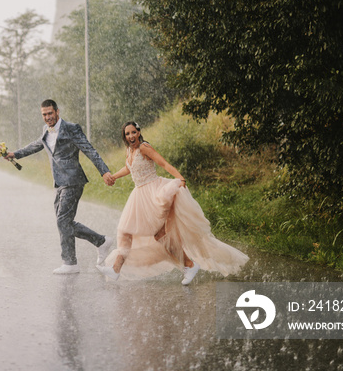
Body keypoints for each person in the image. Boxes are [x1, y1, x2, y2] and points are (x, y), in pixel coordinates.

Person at [96, 121, 248, 284]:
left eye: (133, 132)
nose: (131, 136)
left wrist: (180, 178)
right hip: (139, 195)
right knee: (126, 231)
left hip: (154, 192)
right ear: (124, 137)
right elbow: (129, 168)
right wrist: (114, 176)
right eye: (127, 134)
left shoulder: (144, 148)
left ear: (139, 133)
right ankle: (116, 270)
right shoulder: (129, 151)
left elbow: (163, 163)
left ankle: (190, 265)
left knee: (160, 235)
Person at [6, 99, 116, 274]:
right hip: (59, 183)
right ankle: (99, 243)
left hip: (73, 180)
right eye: (44, 114)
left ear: (57, 111)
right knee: (64, 222)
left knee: (62, 221)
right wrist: (15, 154)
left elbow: (89, 149)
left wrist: (104, 171)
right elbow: (36, 145)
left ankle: (72, 261)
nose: (48, 117)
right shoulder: (45, 130)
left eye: (50, 113)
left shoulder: (71, 128)